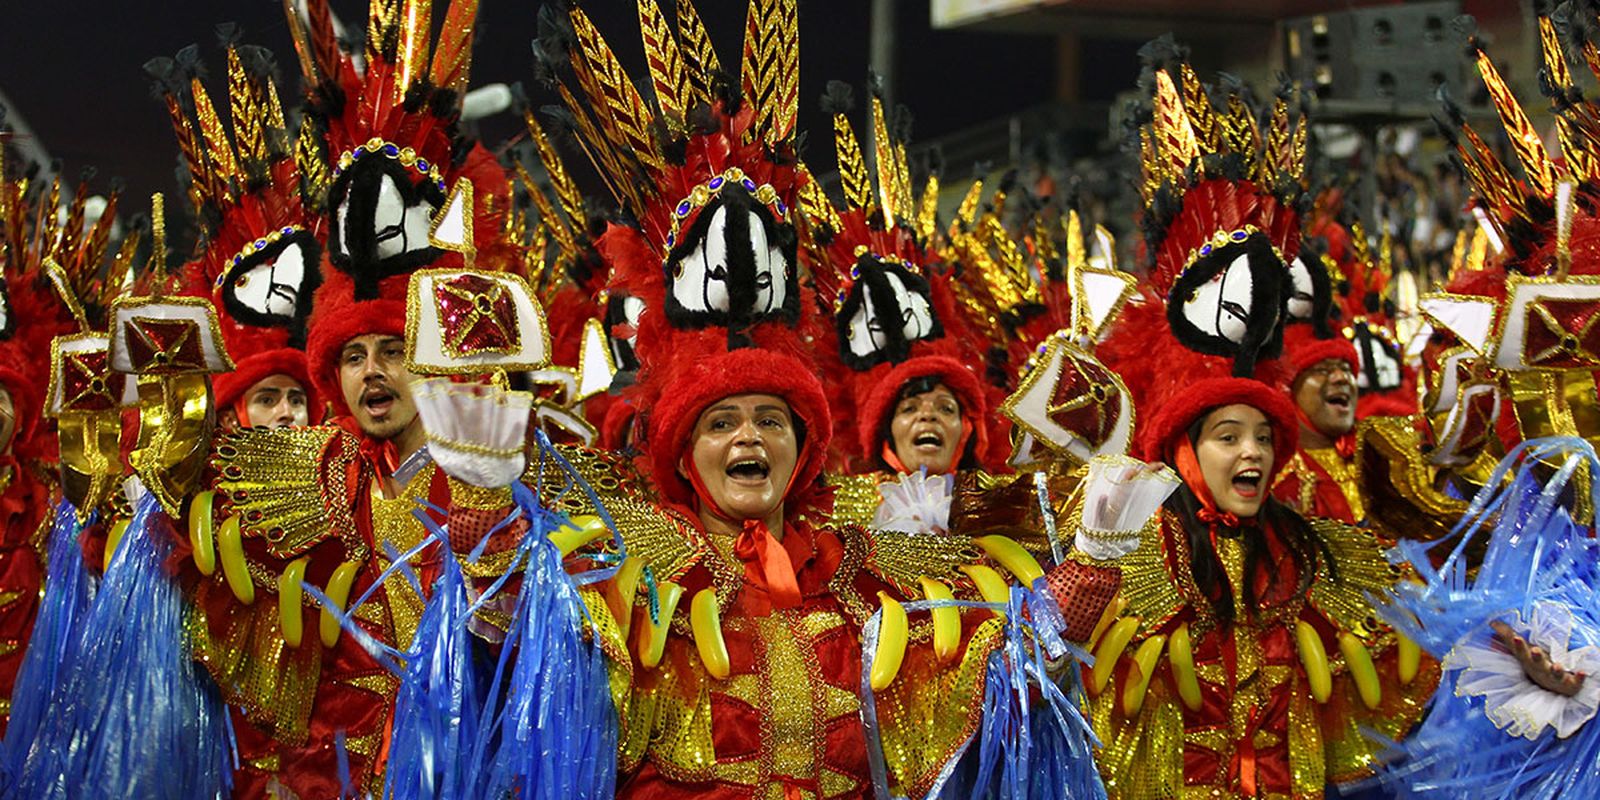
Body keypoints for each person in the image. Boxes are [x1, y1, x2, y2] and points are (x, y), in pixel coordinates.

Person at [1270, 326, 1366, 523]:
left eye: (1347, 369)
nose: (1341, 378)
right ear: (1289, 388)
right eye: (1322, 370)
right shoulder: (1275, 474)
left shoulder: (1377, 459)